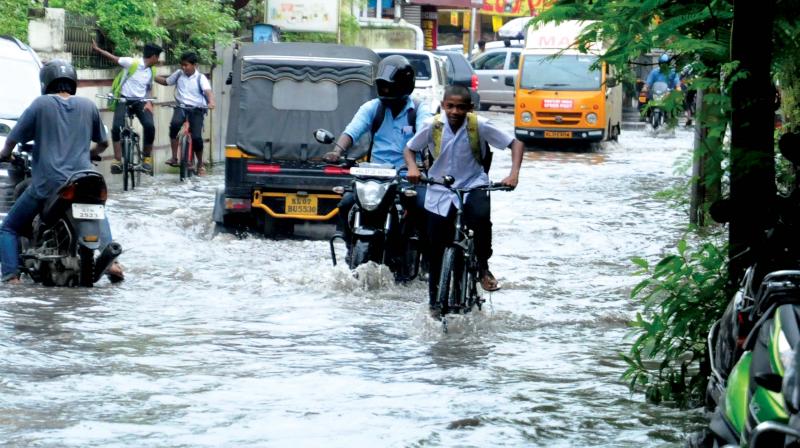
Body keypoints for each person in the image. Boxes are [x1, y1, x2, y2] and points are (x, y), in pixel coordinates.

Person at [0, 59, 123, 284]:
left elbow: (12, 140)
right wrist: (90, 154)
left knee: (8, 228)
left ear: (46, 83)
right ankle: (113, 263)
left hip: (49, 182)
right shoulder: (88, 106)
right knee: (96, 208)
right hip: (86, 180)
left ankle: (11, 278)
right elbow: (103, 143)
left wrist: (5, 155)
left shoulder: (40, 105)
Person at [404, 85, 523, 308]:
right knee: (436, 246)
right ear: (443, 106)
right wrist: (413, 168)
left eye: (461, 107)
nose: (455, 112)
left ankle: (482, 267)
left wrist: (513, 174)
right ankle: (434, 303)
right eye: (450, 106)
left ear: (469, 108)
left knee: (480, 218)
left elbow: (516, 144)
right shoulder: (432, 126)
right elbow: (409, 149)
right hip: (440, 188)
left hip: (472, 185)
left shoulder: (480, 126)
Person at [323, 55, 432, 249]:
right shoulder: (372, 108)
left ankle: (419, 252)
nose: (387, 90)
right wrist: (337, 151)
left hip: (408, 176)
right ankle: (350, 247)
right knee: (346, 204)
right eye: (383, 85)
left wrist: (424, 162)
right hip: (375, 177)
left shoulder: (418, 109)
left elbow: (426, 132)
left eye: (391, 85)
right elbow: (352, 131)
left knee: (424, 207)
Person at [92, 40, 162, 174]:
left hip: (140, 101)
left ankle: (146, 159)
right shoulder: (132, 63)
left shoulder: (152, 70)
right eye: (157, 57)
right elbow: (113, 58)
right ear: (153, 56)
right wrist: (98, 50)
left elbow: (148, 88)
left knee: (150, 126)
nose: (158, 60)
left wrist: (148, 101)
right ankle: (117, 160)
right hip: (123, 99)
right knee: (116, 127)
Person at [155, 51, 216, 176]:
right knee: (174, 125)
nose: (183, 67)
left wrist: (211, 102)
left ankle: (200, 164)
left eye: (186, 65)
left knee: (197, 138)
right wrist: (152, 76)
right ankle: (174, 157)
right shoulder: (178, 74)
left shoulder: (201, 78)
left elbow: (208, 91)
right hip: (181, 107)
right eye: (182, 65)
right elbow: (166, 82)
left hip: (197, 108)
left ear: (195, 65)